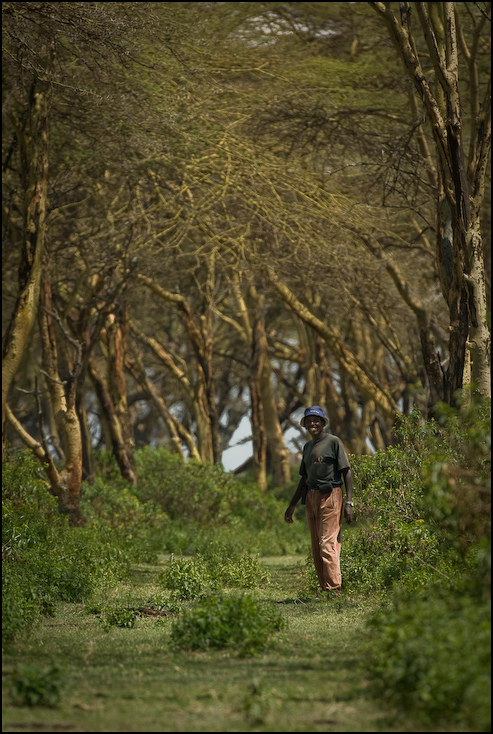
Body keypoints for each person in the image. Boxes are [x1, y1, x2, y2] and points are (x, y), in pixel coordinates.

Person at [284, 405, 354, 595]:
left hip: (331, 495)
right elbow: (304, 479)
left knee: (327, 543)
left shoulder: (333, 442)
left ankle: (334, 589)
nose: (313, 423)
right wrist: (291, 505)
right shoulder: (308, 447)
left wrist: (349, 502)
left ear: (323, 423)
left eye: (316, 420)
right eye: (309, 420)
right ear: (305, 424)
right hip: (311, 497)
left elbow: (346, 472)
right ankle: (325, 590)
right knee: (316, 546)